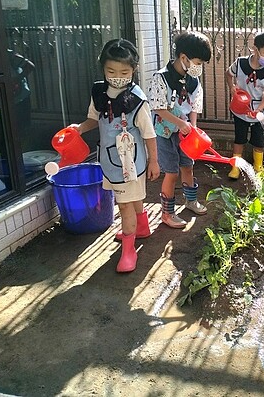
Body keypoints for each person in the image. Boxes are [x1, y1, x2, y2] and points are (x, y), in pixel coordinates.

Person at [71, 38, 160, 273]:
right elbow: (93, 119)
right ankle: (141, 228)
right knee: (132, 198)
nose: (117, 75)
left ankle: (129, 250)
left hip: (132, 162)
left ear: (133, 70)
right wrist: (79, 129)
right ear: (103, 68)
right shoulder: (100, 93)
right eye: (111, 70)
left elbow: (149, 133)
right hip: (110, 161)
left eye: (124, 71)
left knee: (124, 206)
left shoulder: (137, 100)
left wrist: (154, 160)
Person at [148, 31, 212, 229]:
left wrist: (192, 126)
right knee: (172, 172)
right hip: (164, 133)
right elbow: (158, 109)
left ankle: (190, 201)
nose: (199, 67)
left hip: (185, 133)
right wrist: (179, 123)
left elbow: (194, 106)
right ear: (184, 57)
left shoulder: (193, 80)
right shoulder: (162, 78)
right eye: (198, 62)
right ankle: (167, 213)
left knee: (188, 166)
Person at [225, 31, 264, 179]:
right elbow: (228, 74)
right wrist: (232, 87)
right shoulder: (240, 63)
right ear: (255, 49)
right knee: (239, 138)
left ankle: (258, 166)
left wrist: (259, 110)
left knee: (259, 141)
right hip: (239, 110)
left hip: (258, 112)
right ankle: (235, 167)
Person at [7, 48, 35, 139]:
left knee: (23, 128)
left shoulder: (8, 54)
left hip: (21, 97)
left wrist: (16, 80)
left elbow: (30, 66)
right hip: (8, 98)